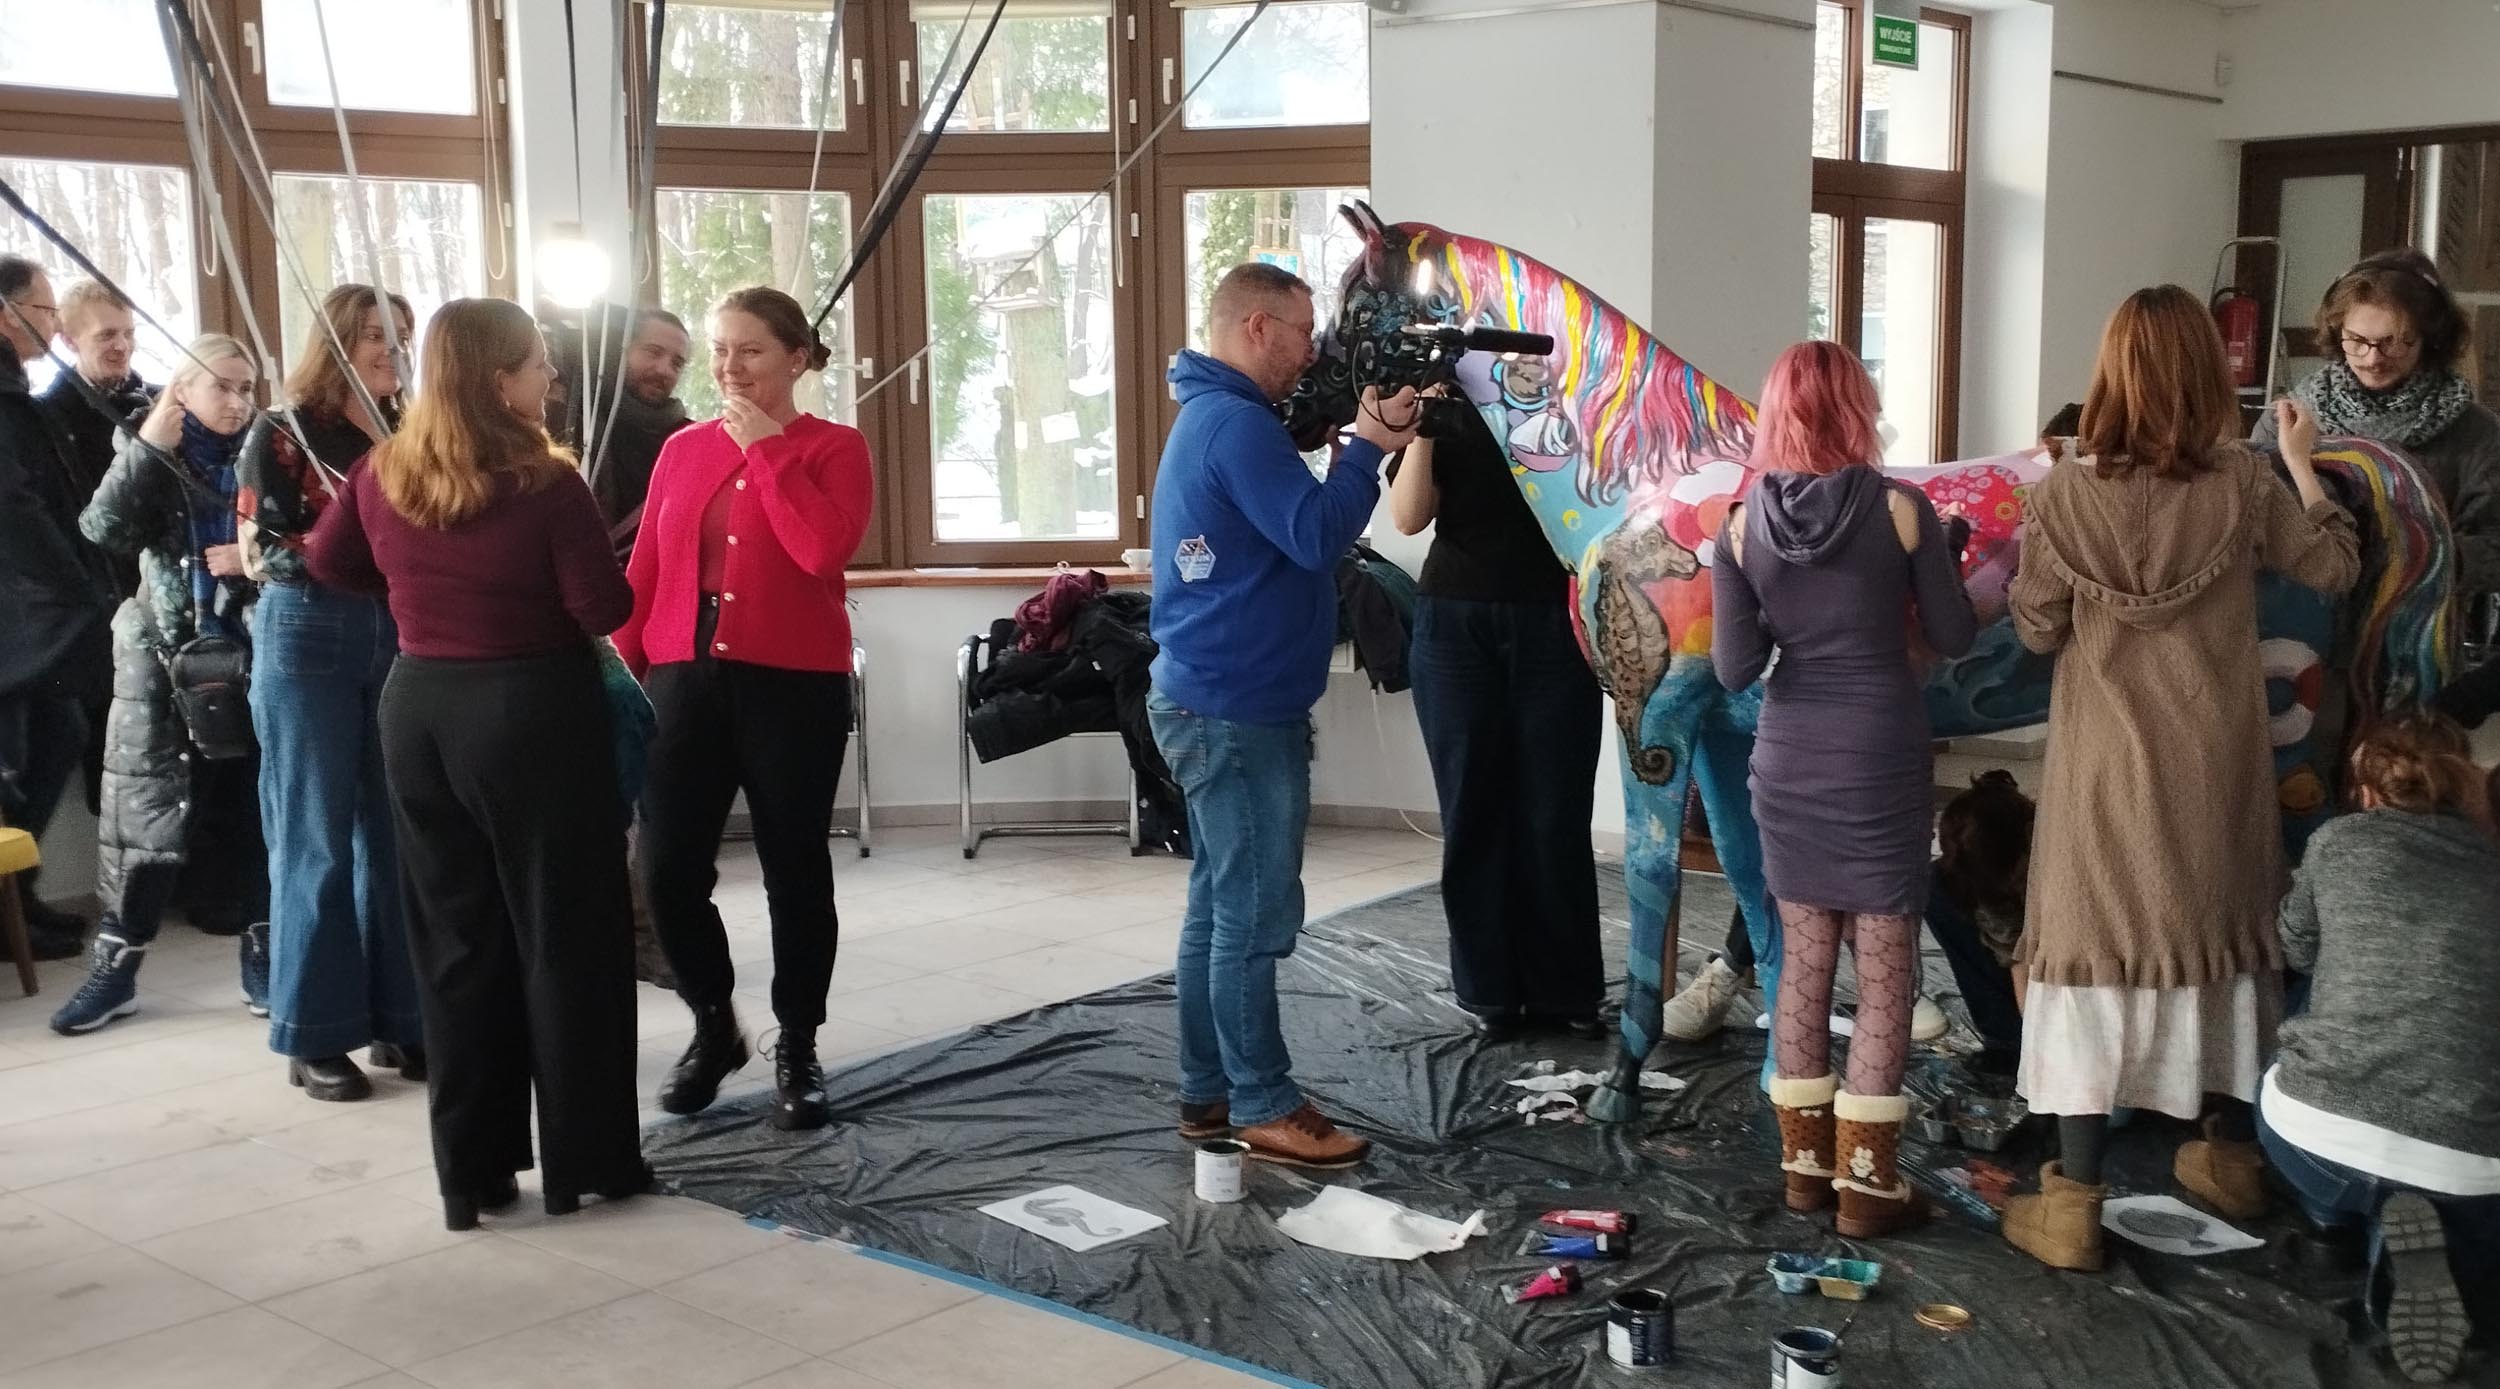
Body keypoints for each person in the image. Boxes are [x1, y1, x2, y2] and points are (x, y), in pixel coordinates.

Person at [1999, 286, 2360, 1272]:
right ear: (2206, 374)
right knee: (2222, 941)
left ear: (2110, 374)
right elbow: (2332, 568)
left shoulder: (2062, 496)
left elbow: (2036, 627)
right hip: (2217, 763)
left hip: (2103, 774)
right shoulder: (2246, 483)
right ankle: (2228, 1160)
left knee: (2091, 957)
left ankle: (2072, 1204)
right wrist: (2302, 465)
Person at [306, 296, 646, 1229]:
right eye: (539, 364)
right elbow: (601, 610)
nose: (552, 377)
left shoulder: (382, 468)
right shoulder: (547, 482)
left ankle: (473, 1174)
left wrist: (418, 593)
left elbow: (330, 562)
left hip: (419, 708)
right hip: (532, 710)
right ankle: (588, 1161)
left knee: (455, 945)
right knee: (565, 936)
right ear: (499, 382)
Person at [1149, 262, 1416, 1170]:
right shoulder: (1235, 425)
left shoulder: (1218, 416)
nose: (1313, 354)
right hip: (1235, 710)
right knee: (1254, 914)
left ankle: (1207, 1091)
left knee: (1217, 905)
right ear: (1257, 327)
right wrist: (1368, 447)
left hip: (1215, 696)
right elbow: (1314, 533)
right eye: (1303, 333)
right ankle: (1262, 1100)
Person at [1711, 339, 1977, 1239]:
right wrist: (1942, 557)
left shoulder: (1738, 527)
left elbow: (1736, 667)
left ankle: (1803, 1174)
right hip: (1879, 754)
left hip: (1790, 756)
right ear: (1858, 408)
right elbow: (1954, 633)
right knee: (1887, 969)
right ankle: (1868, 1186)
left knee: (1805, 958)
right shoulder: (1902, 510)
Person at [614, 287, 871, 1132]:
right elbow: (646, 570)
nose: (729, 366)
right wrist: (620, 676)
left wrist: (769, 451)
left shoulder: (834, 448)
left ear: (796, 359)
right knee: (665, 868)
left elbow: (821, 549)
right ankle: (712, 1019)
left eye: (749, 350)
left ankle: (797, 1041)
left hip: (794, 684)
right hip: (682, 675)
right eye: (720, 350)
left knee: (794, 868)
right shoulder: (682, 449)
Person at [2257, 711, 2500, 1384]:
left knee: (2312, 994)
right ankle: (2413, 1242)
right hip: (2467, 1165)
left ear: (2366, 791)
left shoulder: (2337, 841)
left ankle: (2334, 1220)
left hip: (2314, 1141)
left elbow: (2295, 948)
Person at [51, 335, 270, 1034]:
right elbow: (103, 528)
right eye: (220, 386)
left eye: (246, 387)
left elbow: (300, 544)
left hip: (252, 657)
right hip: (162, 661)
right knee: (146, 820)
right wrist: (148, 445)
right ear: (183, 391)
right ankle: (115, 969)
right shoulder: (149, 450)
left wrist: (253, 559)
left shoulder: (266, 453)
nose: (236, 402)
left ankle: (263, 956)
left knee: (253, 815)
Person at [235, 284, 423, 1102]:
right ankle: (314, 1032)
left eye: (403, 336)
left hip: (401, 632)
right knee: (315, 836)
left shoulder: (414, 431)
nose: (392, 351)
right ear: (338, 341)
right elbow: (260, 553)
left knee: (399, 833)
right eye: (376, 334)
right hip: (310, 630)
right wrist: (359, 544)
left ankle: (402, 1017)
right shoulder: (282, 430)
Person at [1386, 383, 1603, 1042]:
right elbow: (1408, 518)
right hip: (1456, 623)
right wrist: (1425, 426)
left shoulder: (1575, 398)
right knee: (1472, 807)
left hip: (1555, 618)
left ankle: (1565, 989)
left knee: (1555, 810)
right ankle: (1490, 993)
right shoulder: (1447, 397)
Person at [2253, 250, 2498, 611]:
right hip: (2299, 628)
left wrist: (2409, 558)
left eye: (2394, 342)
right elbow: (2253, 524)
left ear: (2430, 337)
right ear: (2337, 333)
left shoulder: (2475, 431)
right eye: (2357, 340)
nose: (2373, 358)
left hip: (2422, 628)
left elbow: (2493, 549)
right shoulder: (2288, 419)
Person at [0, 254, 114, 958]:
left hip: (33, 613)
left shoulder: (18, 395)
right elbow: (14, 509)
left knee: (58, 732)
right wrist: (73, 583)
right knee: (14, 759)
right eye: (44, 310)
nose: (50, 322)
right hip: (20, 617)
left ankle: (19, 897)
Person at [586, 305, 694, 543]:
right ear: (623, 350)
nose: (664, 370)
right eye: (653, 352)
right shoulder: (584, 418)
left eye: (676, 363)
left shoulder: (691, 441)